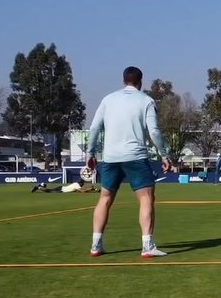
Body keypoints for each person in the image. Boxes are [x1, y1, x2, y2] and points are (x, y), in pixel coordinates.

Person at [85, 66, 173, 258]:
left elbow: (94, 128)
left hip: (110, 157)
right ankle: (147, 245)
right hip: (135, 157)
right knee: (146, 198)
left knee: (105, 199)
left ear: (123, 80)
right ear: (140, 82)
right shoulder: (146, 101)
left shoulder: (108, 100)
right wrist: (165, 155)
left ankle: (96, 245)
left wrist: (90, 153)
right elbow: (154, 132)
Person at [32, 179, 100, 193]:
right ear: (81, 183)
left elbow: (80, 190)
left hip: (62, 188)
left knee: (49, 190)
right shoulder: (77, 185)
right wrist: (91, 189)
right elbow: (82, 191)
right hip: (61, 190)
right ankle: (39, 187)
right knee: (49, 191)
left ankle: (40, 186)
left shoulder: (76, 184)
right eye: (83, 184)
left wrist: (91, 189)